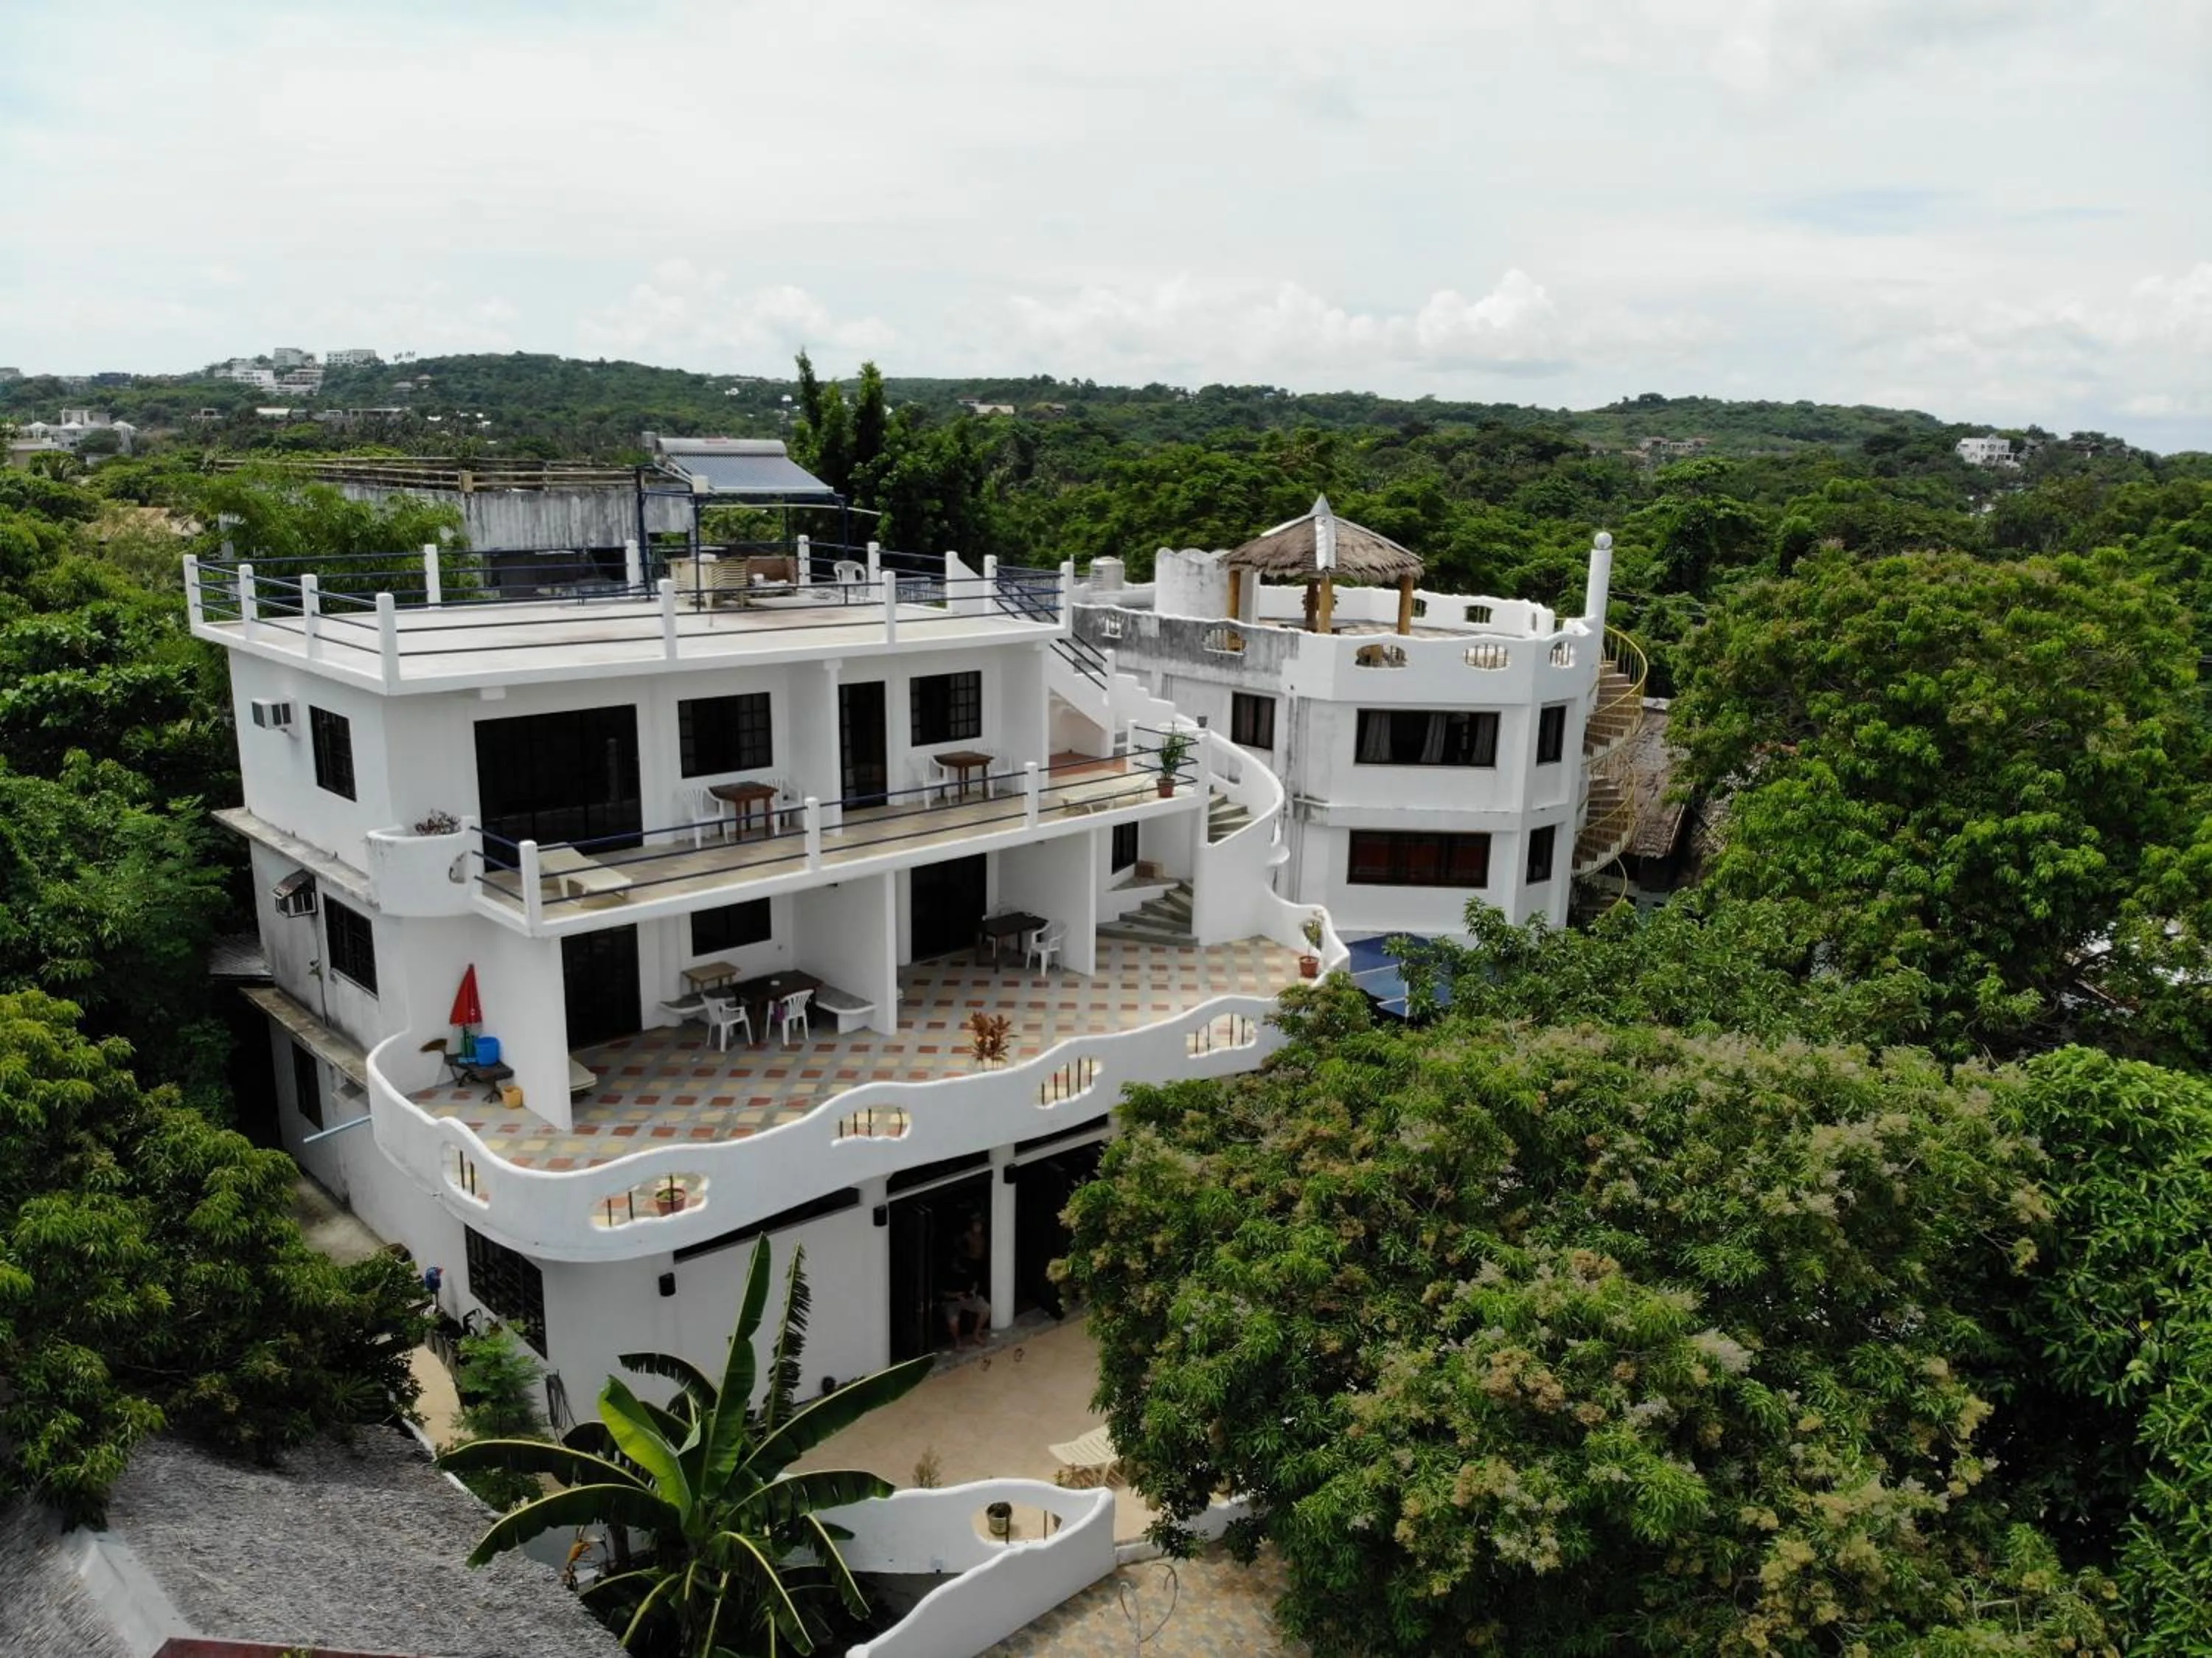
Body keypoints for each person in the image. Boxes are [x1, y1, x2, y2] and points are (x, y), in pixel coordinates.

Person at [939, 1214, 991, 1350]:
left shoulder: (969, 1264)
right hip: (952, 1301)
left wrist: (973, 1291)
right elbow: (942, 1293)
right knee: (953, 1321)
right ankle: (957, 1342)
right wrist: (956, 1296)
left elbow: (975, 1281)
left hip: (968, 1297)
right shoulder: (945, 1270)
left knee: (985, 1309)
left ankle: (976, 1334)